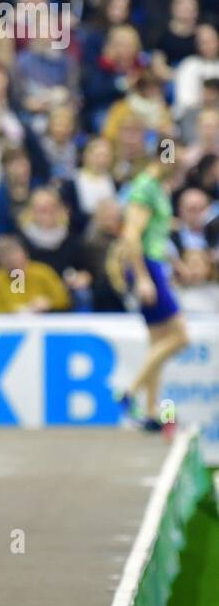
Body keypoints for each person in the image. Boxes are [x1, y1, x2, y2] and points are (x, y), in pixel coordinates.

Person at [108, 147, 191, 431]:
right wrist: (143, 277)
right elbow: (131, 235)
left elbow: (156, 232)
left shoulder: (158, 188)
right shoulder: (145, 187)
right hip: (146, 266)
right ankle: (129, 392)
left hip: (155, 264)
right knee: (180, 337)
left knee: (158, 342)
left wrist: (174, 262)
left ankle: (152, 408)